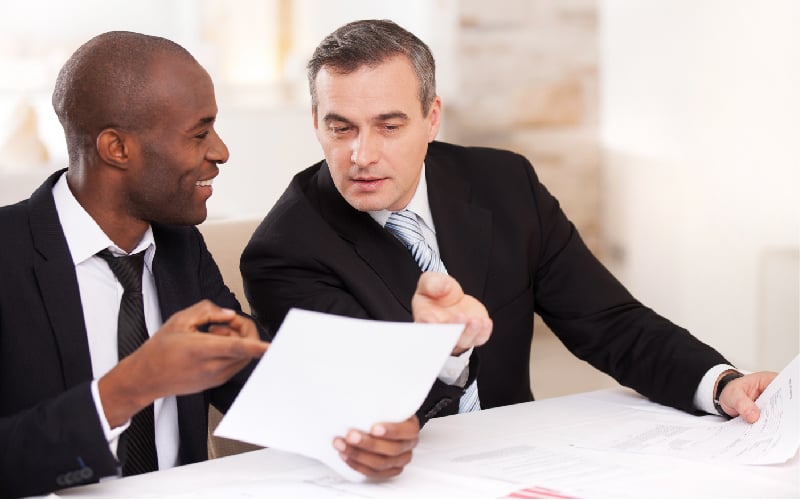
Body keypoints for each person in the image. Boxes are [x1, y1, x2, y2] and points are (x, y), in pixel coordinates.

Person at [0, 31, 491, 497]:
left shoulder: (179, 248)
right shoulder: (10, 254)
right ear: (117, 148)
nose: (221, 152)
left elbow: (259, 383)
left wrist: (363, 431)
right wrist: (131, 386)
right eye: (199, 134)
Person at [241, 19, 777, 429]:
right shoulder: (283, 251)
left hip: (520, 455)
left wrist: (721, 384)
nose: (362, 155)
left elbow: (608, 322)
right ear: (316, 123)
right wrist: (443, 350)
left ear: (432, 118)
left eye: (389, 126)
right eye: (341, 128)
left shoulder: (503, 182)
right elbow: (359, 412)